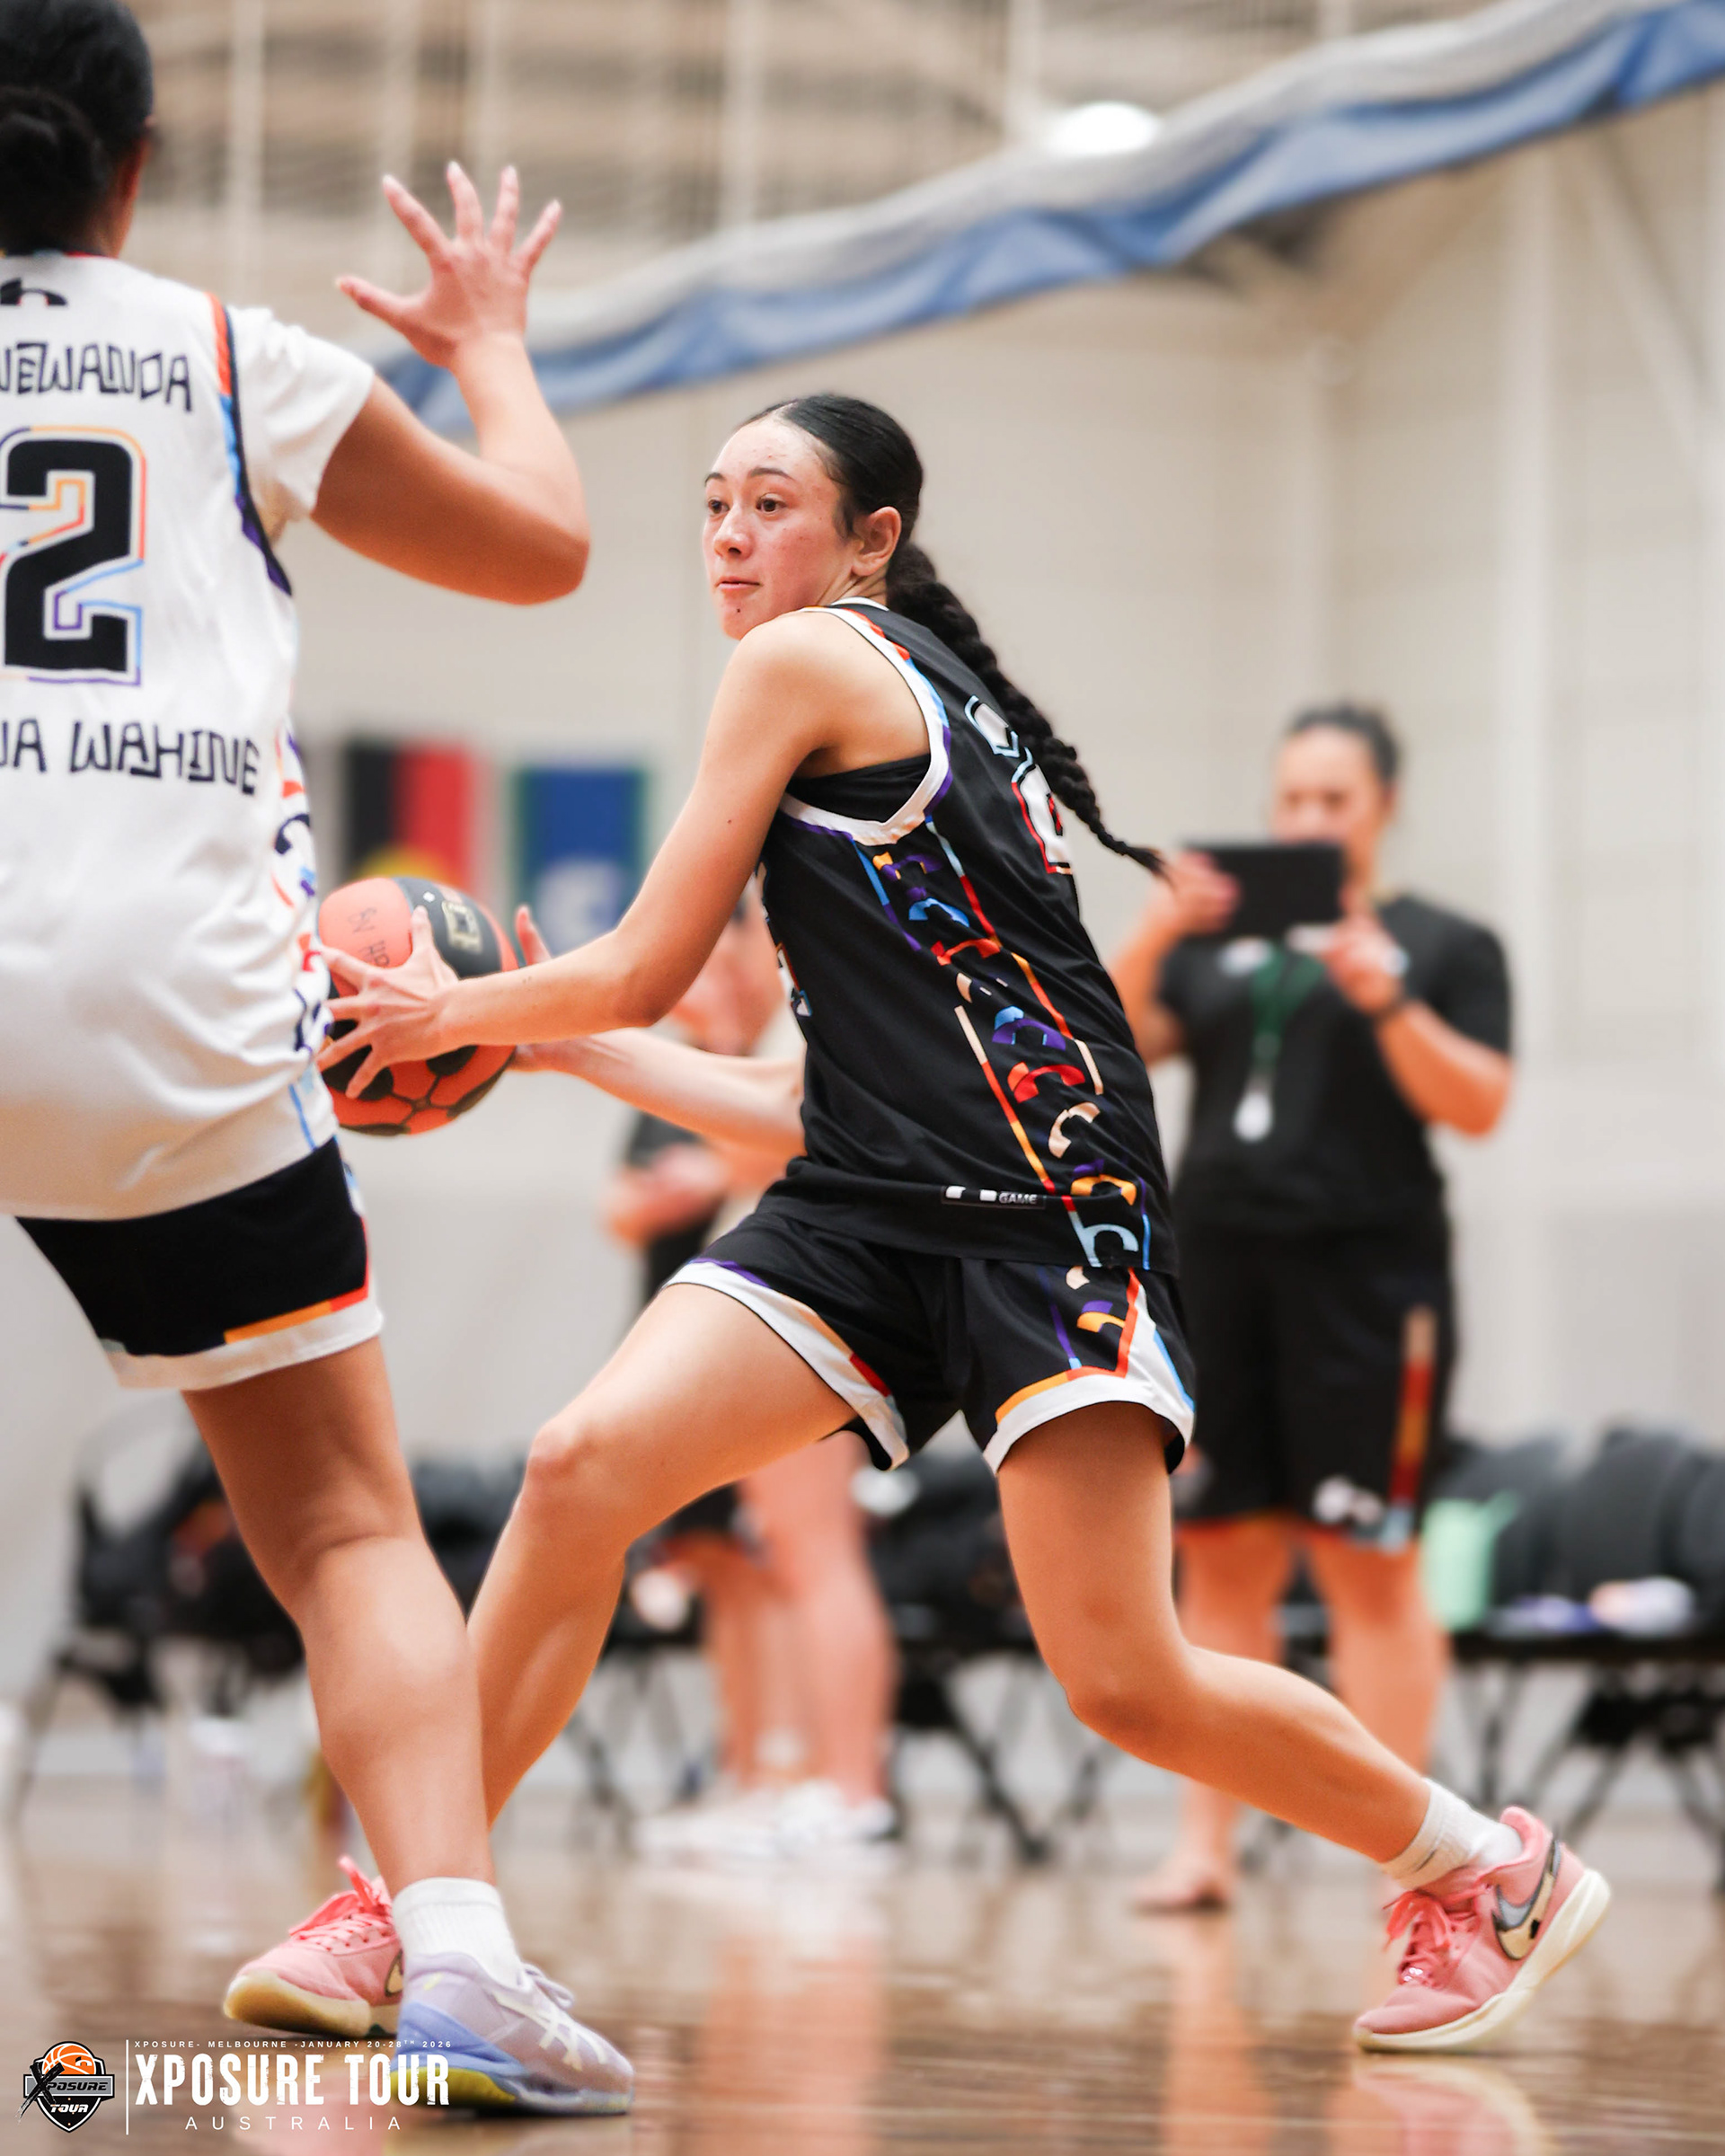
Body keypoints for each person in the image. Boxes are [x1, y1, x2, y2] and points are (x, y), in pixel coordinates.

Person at [266, 392, 1606, 2055]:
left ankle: (1487, 1869)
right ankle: (412, 1908)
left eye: (772, 503)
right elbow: (801, 1098)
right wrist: (554, 1040)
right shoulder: (907, 710)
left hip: (1053, 1213)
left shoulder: (806, 663)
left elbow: (647, 965)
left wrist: (461, 1013)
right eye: (714, 504)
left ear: (870, 542)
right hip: (875, 1205)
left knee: (1126, 1680)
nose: (731, 536)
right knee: (579, 1468)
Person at [0, 0, 629, 2113]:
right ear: (138, 165)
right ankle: (456, 1961)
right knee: (351, 1532)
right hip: (168, 998)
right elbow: (542, 544)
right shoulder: (227, 356)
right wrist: (490, 345)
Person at [1110, 705, 1513, 1914]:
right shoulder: (1218, 943)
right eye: (1292, 799)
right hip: (1220, 1274)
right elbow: (1114, 1041)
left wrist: (1388, 1001)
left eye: (1334, 800)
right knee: (1220, 1554)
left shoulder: (1445, 944)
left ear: (1383, 806)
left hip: (1371, 1286)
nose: (1308, 820)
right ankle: (1206, 1849)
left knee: (1368, 1561)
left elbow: (1479, 1104)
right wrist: (1154, 927)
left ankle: (1407, 1861)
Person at [602, 905, 897, 1857]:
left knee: (818, 1557)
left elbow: (758, 1150)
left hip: (815, 1316)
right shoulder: (759, 1036)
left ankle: (851, 1792)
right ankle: (792, 1783)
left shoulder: (809, 1026)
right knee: (778, 1557)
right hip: (772, 1319)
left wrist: (700, 1052)